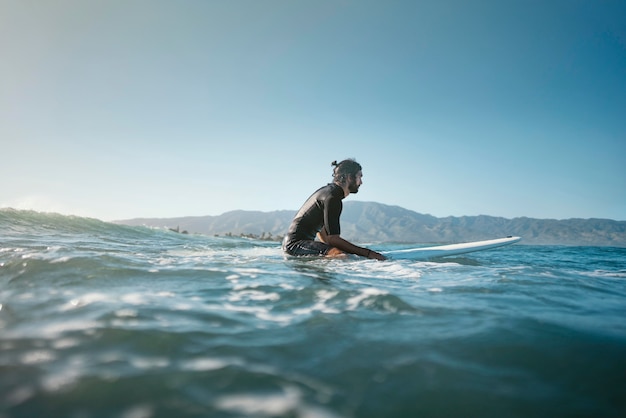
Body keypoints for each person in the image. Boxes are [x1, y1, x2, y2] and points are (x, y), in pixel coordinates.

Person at [282, 159, 386, 260]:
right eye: (360, 177)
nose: (361, 182)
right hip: (295, 245)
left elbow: (321, 230)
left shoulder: (329, 193)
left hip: (293, 245)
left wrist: (328, 246)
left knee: (339, 252)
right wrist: (368, 253)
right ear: (349, 177)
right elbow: (333, 239)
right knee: (341, 256)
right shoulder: (332, 198)